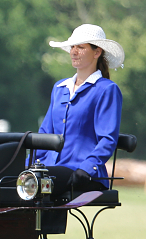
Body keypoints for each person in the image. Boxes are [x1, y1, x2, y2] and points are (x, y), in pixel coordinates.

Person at [33, 24, 124, 196]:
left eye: (81, 47)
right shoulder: (59, 88)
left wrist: (87, 168)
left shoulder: (106, 89)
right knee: (16, 180)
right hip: (50, 169)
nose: (74, 52)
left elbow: (107, 139)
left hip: (82, 172)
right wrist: (33, 164)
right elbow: (45, 133)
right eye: (72, 47)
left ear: (97, 53)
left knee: (38, 184)